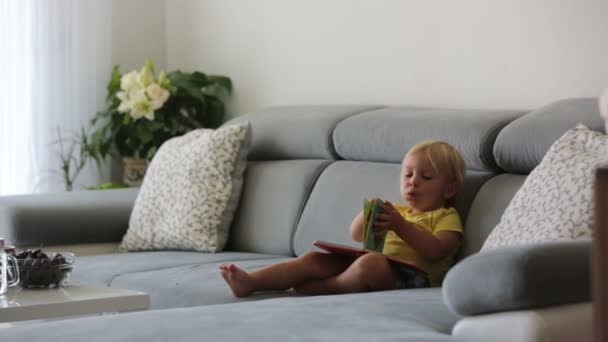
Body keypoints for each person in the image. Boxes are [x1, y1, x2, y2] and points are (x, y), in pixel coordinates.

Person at [219, 140, 466, 297]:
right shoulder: (397, 211)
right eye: (408, 175)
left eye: (426, 177)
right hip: (373, 264)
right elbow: (357, 235)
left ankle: (328, 287)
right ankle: (251, 281)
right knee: (313, 259)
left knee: (371, 264)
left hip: (413, 280)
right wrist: (368, 217)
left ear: (449, 189)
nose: (413, 182)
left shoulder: (446, 216)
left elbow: (437, 250)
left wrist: (400, 227)